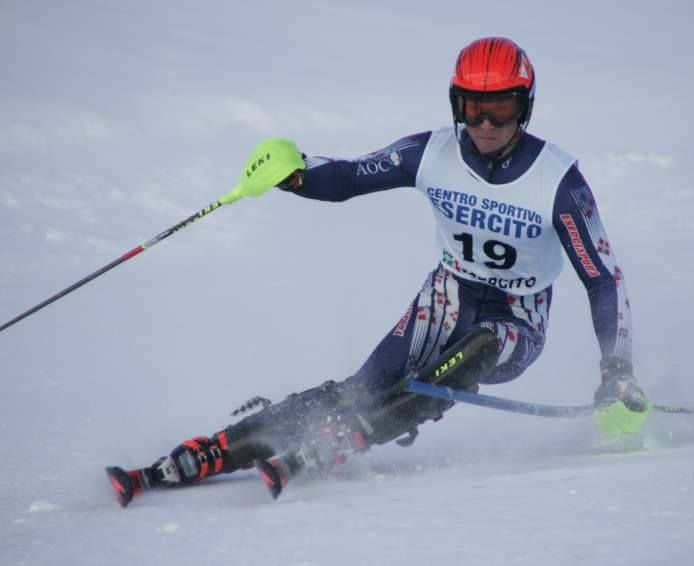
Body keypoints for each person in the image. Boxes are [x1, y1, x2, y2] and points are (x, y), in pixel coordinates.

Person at [107, 37, 649, 504]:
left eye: (501, 109)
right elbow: (348, 177)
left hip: (519, 319)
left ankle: (349, 438)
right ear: (456, 103)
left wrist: (616, 370)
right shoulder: (431, 153)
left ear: (524, 107)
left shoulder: (558, 181)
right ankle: (213, 450)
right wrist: (294, 174)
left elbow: (602, 278)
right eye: (473, 107)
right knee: (360, 391)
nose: (485, 124)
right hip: (448, 296)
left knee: (480, 348)